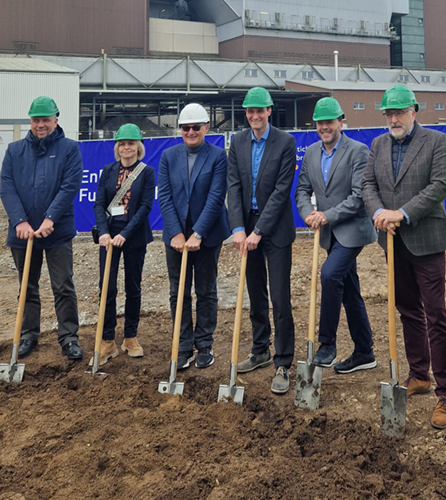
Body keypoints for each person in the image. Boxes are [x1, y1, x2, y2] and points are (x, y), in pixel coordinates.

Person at [361, 85, 446, 429]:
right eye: (389, 113)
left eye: (400, 112)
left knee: (436, 315)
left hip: (426, 240)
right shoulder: (378, 145)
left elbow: (439, 186)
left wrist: (400, 213)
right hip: (393, 242)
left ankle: (445, 391)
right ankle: (419, 373)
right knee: (406, 311)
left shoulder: (436, 142)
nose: (394, 118)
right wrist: (378, 213)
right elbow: (368, 185)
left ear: (414, 111)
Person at [295, 97, 377, 374]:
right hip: (330, 233)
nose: (324, 127)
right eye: (320, 123)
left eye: (329, 122)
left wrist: (326, 216)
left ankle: (327, 344)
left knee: (330, 274)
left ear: (341, 122)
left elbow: (358, 197)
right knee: (349, 289)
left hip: (353, 230)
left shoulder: (358, 151)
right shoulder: (311, 154)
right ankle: (364, 351)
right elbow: (302, 191)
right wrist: (308, 213)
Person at [0, 96, 83, 361]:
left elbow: (69, 187)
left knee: (63, 286)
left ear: (56, 120)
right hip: (22, 234)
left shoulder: (69, 149)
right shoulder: (14, 151)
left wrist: (50, 219)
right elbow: (7, 188)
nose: (40, 125)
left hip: (55, 232)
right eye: (36, 120)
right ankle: (28, 336)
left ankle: (69, 338)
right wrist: (20, 221)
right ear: (31, 121)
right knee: (27, 287)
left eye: (45, 120)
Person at [227, 87, 296, 395]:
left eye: (260, 110)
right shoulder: (238, 141)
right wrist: (239, 227)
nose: (255, 115)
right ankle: (260, 350)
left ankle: (282, 362)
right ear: (246, 114)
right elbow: (233, 185)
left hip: (275, 229)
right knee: (255, 291)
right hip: (247, 225)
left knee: (279, 297)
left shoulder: (285, 142)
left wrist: (259, 231)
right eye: (250, 111)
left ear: (270, 111)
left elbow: (282, 192)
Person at [158, 103, 230, 370]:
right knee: (178, 293)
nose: (190, 132)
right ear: (180, 129)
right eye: (186, 128)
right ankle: (184, 345)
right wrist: (176, 232)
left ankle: (205, 344)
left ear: (206, 128)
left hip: (207, 236)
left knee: (206, 291)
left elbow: (215, 197)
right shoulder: (168, 156)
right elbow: (164, 196)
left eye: (195, 127)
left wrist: (198, 232)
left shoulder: (217, 156)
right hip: (175, 238)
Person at [91, 124, 155, 366]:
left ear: (138, 147)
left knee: (133, 288)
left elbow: (145, 207)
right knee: (106, 288)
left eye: (131, 143)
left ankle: (130, 337)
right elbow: (99, 204)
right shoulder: (108, 171)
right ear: (117, 147)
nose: (126, 147)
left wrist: (125, 234)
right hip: (109, 237)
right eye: (122, 143)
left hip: (134, 237)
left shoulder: (146, 172)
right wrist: (105, 233)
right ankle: (107, 340)